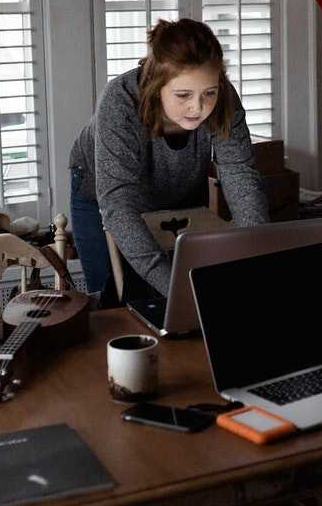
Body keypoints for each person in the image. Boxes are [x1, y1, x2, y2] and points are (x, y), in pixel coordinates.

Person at [68, 18, 268, 297]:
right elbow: (119, 206)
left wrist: (256, 256)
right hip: (104, 192)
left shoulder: (224, 99)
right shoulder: (119, 101)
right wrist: (176, 290)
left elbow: (240, 176)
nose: (197, 107)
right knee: (112, 299)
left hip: (178, 185)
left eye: (209, 93)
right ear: (155, 84)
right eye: (183, 94)